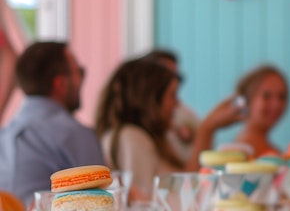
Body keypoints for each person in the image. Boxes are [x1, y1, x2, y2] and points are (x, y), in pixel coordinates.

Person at [96, 56, 245, 199]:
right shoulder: (130, 138)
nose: (177, 104)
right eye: (172, 95)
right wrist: (206, 129)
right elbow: (151, 204)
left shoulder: (155, 138)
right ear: (151, 100)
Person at [0, 40, 104, 205]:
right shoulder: (74, 133)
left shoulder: (4, 134)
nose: (81, 81)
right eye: (80, 72)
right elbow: (99, 204)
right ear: (61, 84)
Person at [139, 48, 201, 166]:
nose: (171, 78)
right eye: (163, 72)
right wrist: (207, 129)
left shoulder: (183, 112)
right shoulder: (134, 136)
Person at [231, 64, 290, 157]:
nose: (276, 105)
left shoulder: (273, 150)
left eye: (282, 97)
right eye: (266, 96)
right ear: (247, 100)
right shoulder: (240, 152)